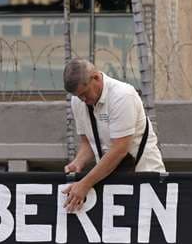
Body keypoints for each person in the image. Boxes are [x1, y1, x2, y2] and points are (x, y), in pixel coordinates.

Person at [62, 58, 165, 212]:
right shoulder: (79, 101)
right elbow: (87, 143)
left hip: (144, 178)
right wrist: (78, 162)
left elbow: (120, 149)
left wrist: (84, 184)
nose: (83, 100)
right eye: (78, 96)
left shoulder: (122, 96)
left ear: (96, 77)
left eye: (84, 93)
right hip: (109, 180)